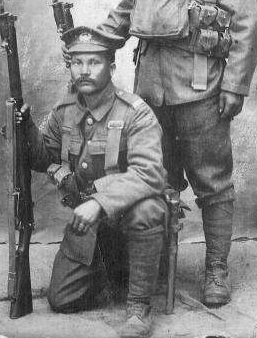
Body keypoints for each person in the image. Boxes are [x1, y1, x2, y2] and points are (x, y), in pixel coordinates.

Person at [87, 0, 257, 307]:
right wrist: (86, 49)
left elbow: (247, 26)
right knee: (155, 182)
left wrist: (235, 87)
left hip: (203, 92)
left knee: (213, 185)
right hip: (150, 97)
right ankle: (157, 266)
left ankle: (216, 271)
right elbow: (124, 15)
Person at [20, 26, 167, 338]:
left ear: (111, 67)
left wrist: (99, 203)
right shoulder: (64, 112)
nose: (84, 70)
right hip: (88, 225)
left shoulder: (135, 113)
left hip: (126, 216)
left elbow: (149, 174)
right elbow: (42, 159)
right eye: (77, 62)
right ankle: (111, 272)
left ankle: (139, 305)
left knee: (149, 209)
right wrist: (26, 128)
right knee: (61, 300)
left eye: (94, 62)